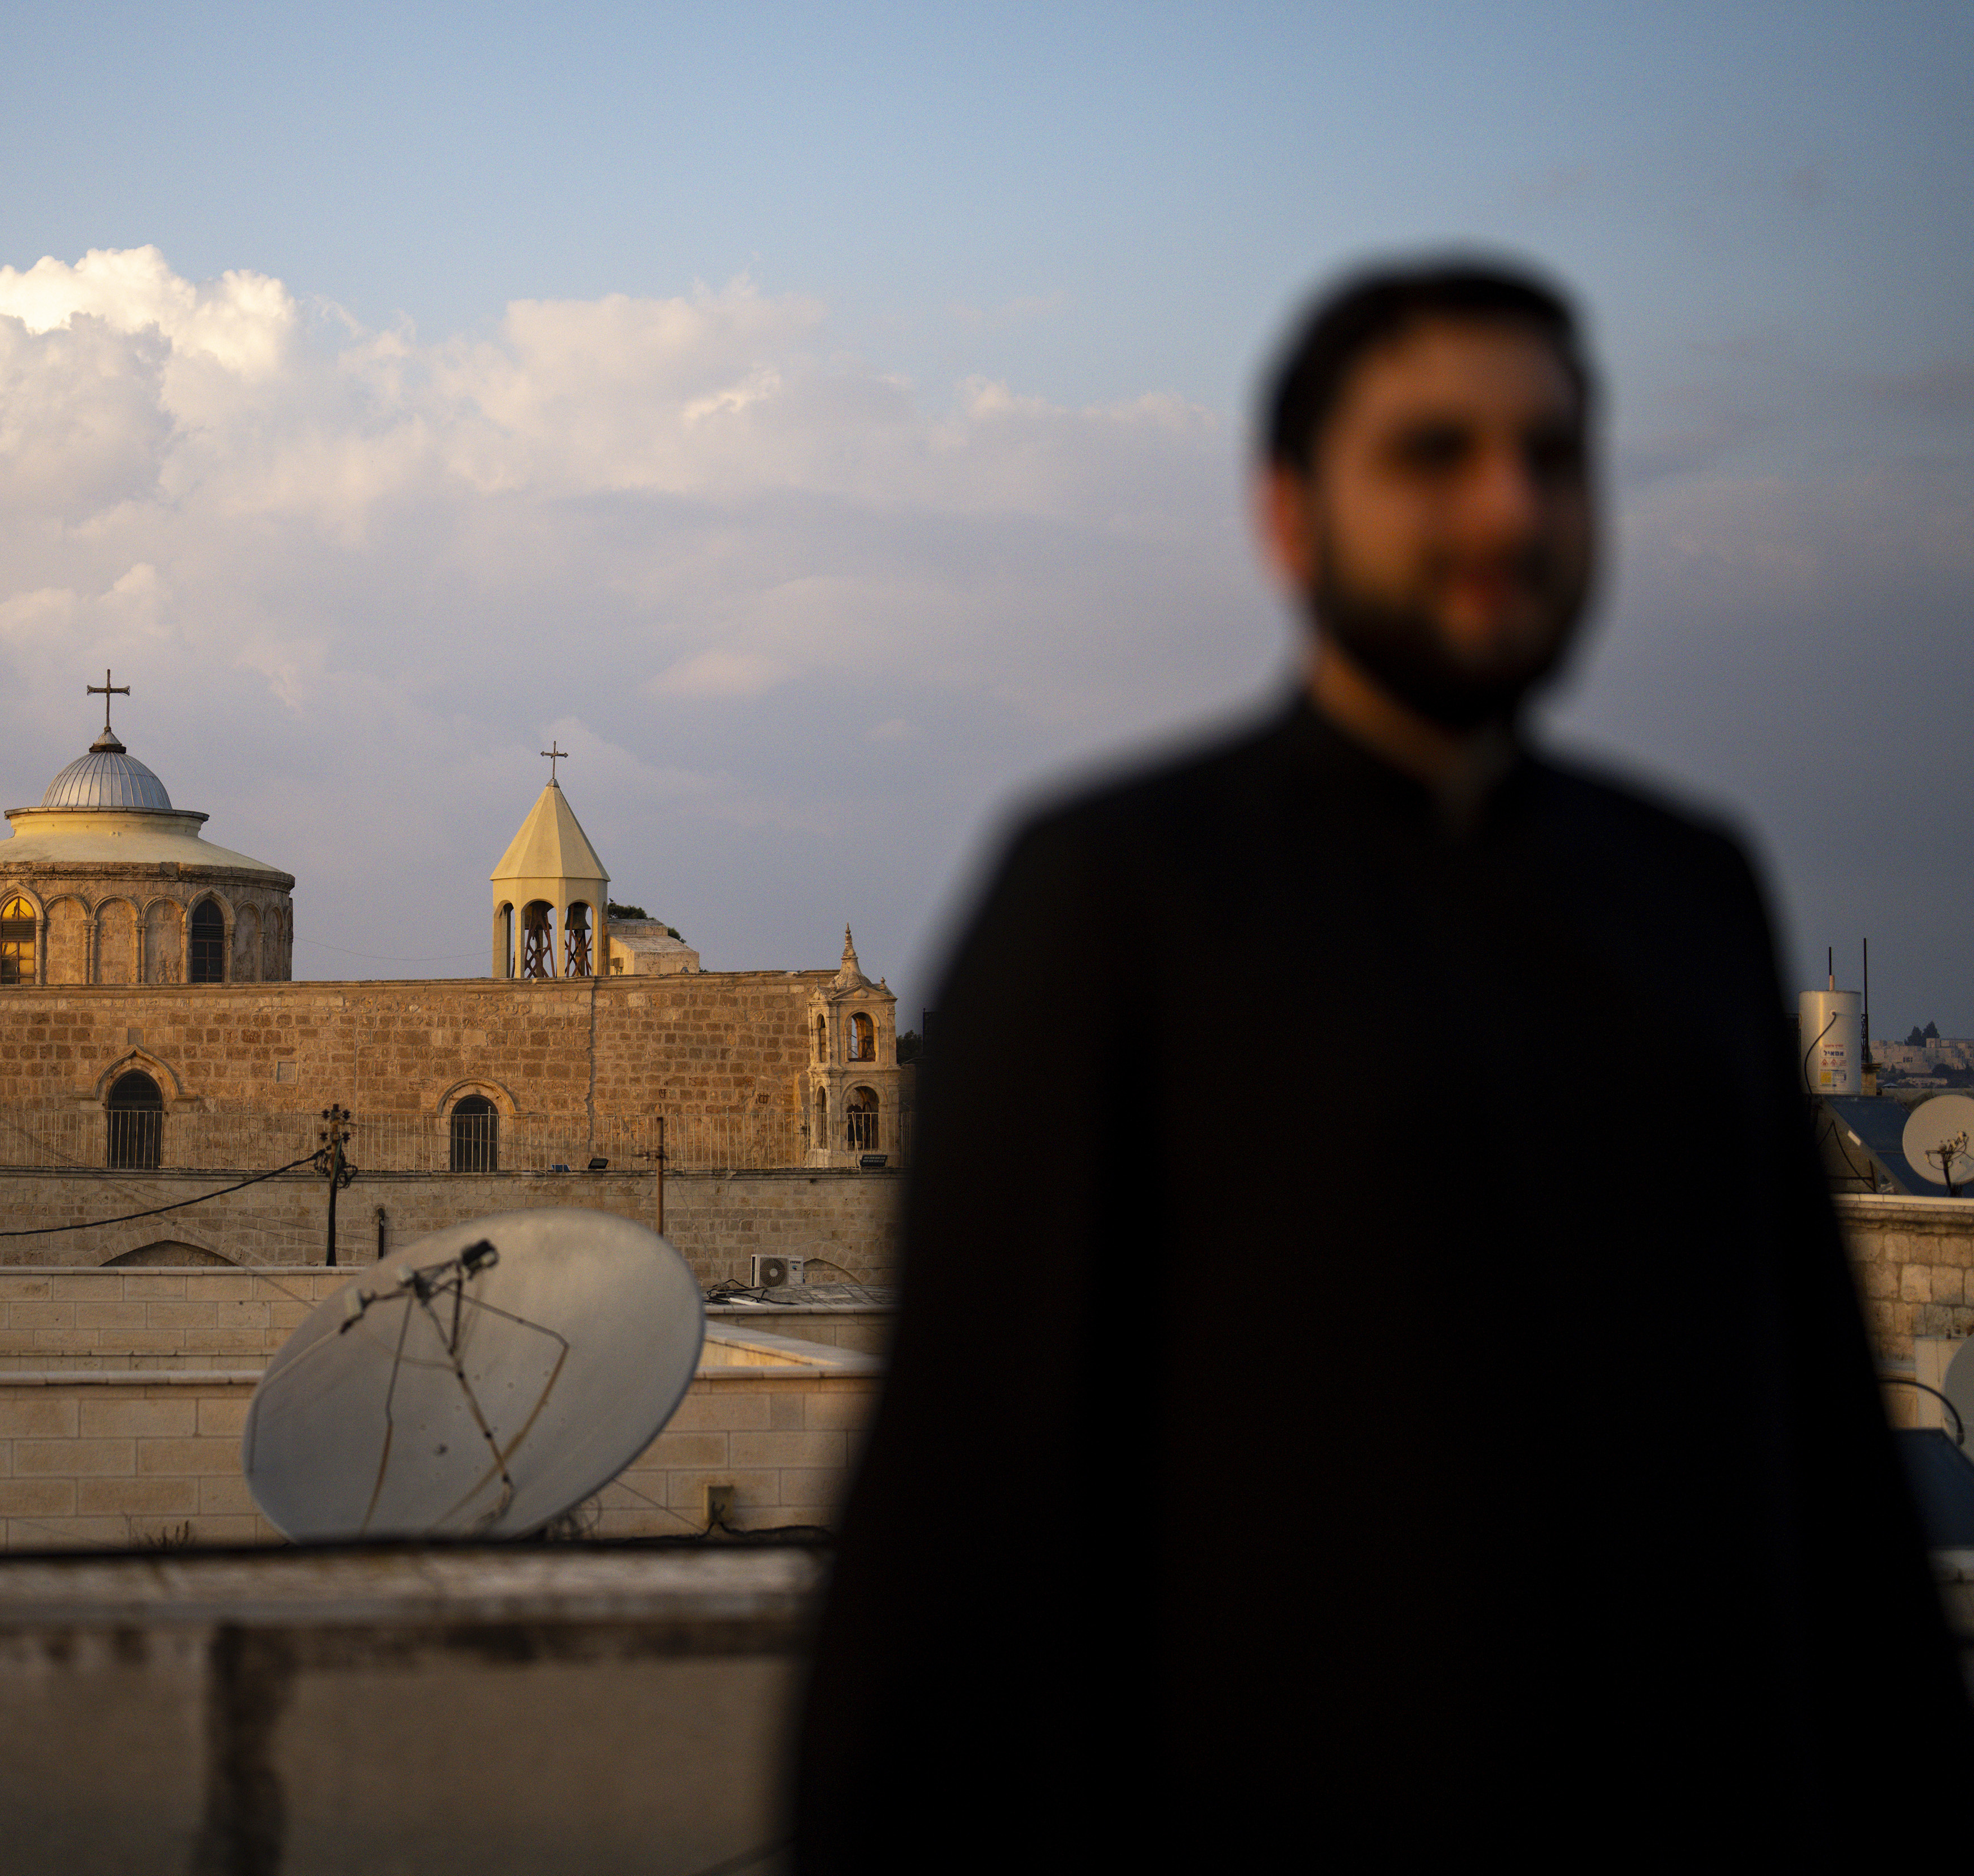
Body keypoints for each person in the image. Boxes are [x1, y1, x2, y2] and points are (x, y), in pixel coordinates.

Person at [793, 262, 1973, 1861]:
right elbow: (954, 1524)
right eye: (1434, 455)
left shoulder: (1689, 888)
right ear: (1290, 514)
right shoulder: (1109, 898)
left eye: (1550, 456)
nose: (1507, 507)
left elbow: (1827, 1477)